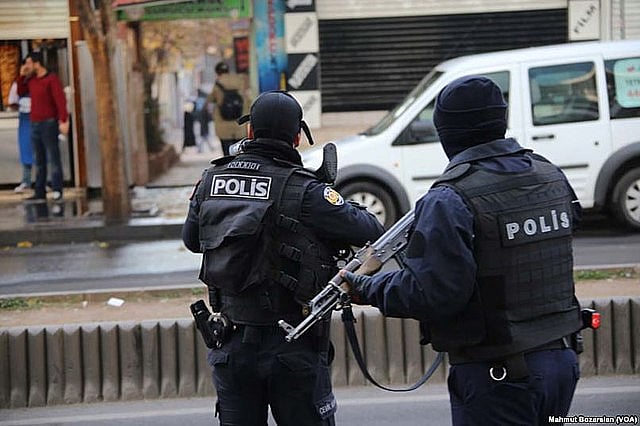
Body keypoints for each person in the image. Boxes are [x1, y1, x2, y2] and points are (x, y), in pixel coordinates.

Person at [341, 76, 584, 425]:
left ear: (447, 133)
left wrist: (366, 287)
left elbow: (432, 292)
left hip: (499, 374)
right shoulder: (550, 174)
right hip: (562, 361)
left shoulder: (450, 198)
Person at [182, 90, 384, 425]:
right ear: (297, 138)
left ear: (250, 131)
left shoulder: (210, 180)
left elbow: (192, 241)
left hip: (230, 343)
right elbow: (371, 230)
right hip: (293, 345)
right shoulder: (306, 190)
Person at [17, 51, 69, 202]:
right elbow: (21, 91)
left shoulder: (51, 80)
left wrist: (63, 120)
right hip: (35, 123)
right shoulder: (31, 81)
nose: (27, 66)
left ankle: (57, 189)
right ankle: (39, 191)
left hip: (49, 123)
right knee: (38, 159)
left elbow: (60, 101)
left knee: (53, 156)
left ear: (37, 64)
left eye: (29, 63)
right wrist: (21, 76)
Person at [207, 61, 247, 156]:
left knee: (226, 151)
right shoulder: (239, 80)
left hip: (223, 123)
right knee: (240, 150)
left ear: (217, 72)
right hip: (239, 123)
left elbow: (211, 99)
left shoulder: (218, 83)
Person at [8, 61, 33, 193]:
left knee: (41, 150)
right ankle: (26, 181)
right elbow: (12, 102)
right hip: (25, 119)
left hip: (39, 117)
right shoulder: (18, 84)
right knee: (26, 149)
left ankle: (43, 181)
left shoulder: (38, 81)